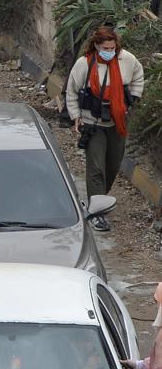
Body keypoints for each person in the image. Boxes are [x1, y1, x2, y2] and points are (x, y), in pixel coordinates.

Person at [64, 21, 144, 223]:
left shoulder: (127, 60)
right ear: (97, 46)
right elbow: (72, 92)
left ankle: (99, 200)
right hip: (93, 123)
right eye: (105, 48)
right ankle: (97, 213)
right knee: (96, 168)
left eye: (112, 48)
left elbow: (138, 77)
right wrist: (76, 116)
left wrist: (133, 98)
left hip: (117, 123)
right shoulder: (84, 63)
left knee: (112, 165)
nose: (109, 51)